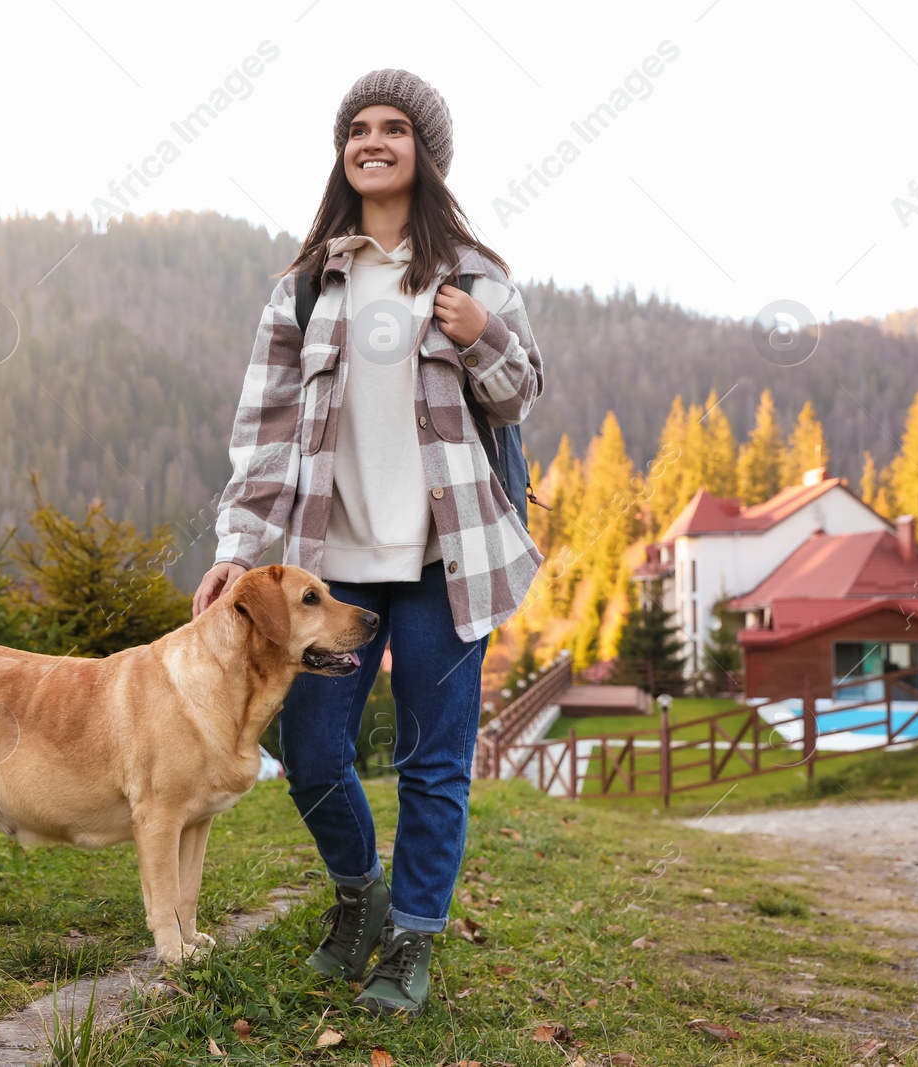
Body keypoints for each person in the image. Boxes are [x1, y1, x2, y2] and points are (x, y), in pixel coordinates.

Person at [191, 69, 544, 1018]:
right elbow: (262, 435)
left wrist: (482, 334)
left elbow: (519, 397)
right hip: (329, 566)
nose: (372, 140)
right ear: (342, 151)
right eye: (357, 128)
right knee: (310, 751)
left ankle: (413, 940)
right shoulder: (304, 287)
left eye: (394, 127)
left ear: (424, 151)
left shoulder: (474, 275)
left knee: (433, 759)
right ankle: (360, 895)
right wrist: (237, 544)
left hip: (443, 560)